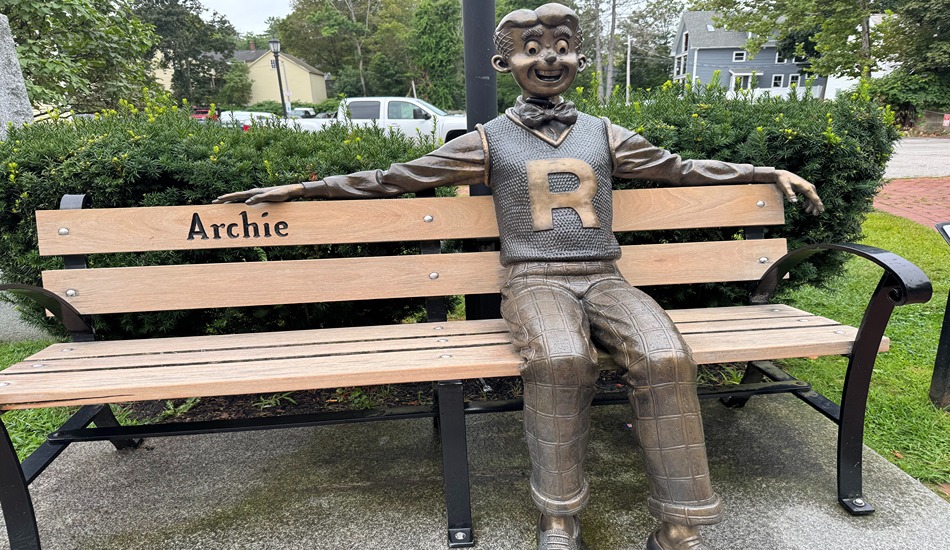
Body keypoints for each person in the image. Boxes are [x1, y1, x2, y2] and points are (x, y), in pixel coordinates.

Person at [215, 4, 824, 548]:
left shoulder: (605, 135)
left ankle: (681, 523)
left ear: (579, 57)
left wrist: (762, 170)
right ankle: (558, 518)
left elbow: (681, 169)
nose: (547, 59)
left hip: (604, 277)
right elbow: (392, 177)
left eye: (559, 47)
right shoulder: (487, 140)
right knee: (560, 360)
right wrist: (302, 188)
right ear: (506, 62)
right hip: (534, 281)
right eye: (531, 50)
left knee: (666, 355)